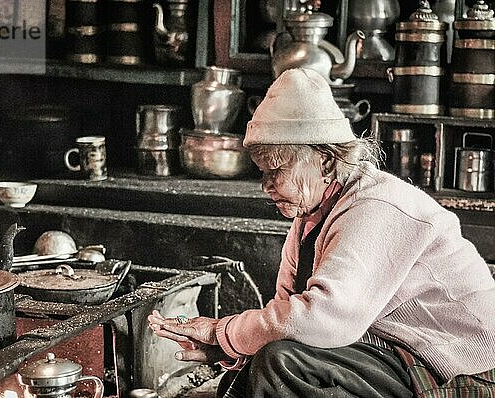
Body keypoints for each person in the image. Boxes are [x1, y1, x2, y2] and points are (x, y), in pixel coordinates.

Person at [148, 68, 495, 397]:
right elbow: (287, 319)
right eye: (261, 172)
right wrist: (225, 348)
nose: (266, 185)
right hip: (395, 350)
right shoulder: (310, 216)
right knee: (256, 367)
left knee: (279, 363)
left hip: (460, 363)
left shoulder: (377, 206)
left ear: (326, 161)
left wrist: (223, 332)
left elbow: (319, 320)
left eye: (276, 170)